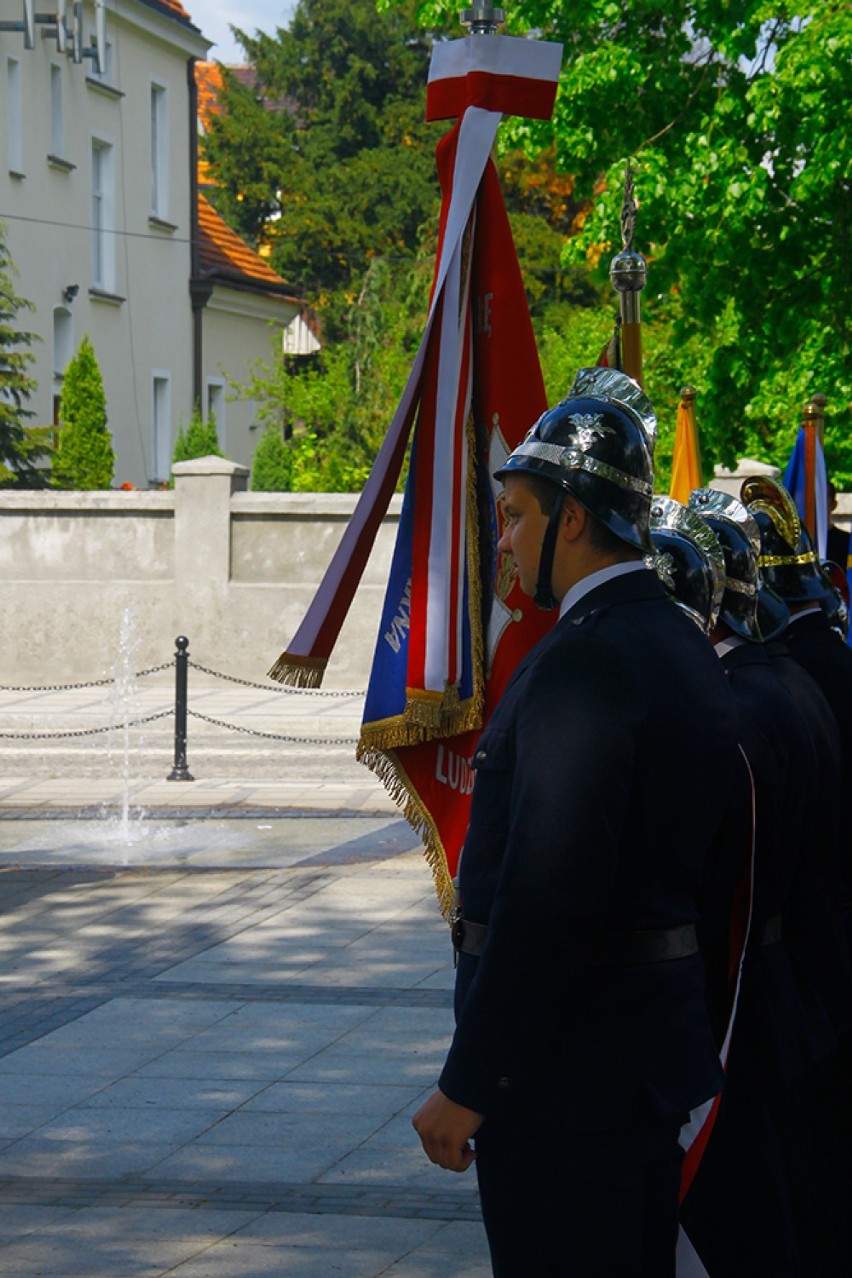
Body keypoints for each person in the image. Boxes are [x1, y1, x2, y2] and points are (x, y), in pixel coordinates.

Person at [412, 368, 744, 1277]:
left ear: (571, 518)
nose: (505, 541)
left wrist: (471, 1085)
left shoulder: (586, 663)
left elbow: (549, 897)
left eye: (517, 515)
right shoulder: (683, 645)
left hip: (565, 1086)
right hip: (636, 1065)